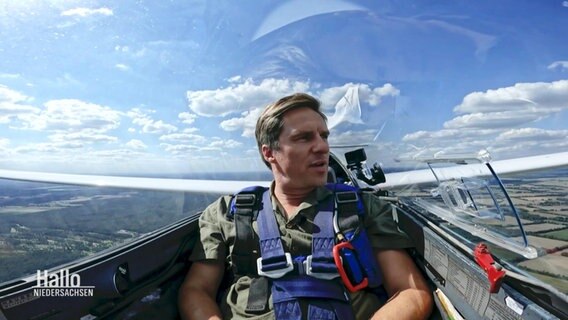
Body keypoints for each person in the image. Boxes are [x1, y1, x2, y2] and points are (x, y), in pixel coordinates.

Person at [178, 93, 433, 319]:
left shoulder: (360, 209)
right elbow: (197, 290)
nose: (322, 147)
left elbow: (411, 292)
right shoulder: (227, 214)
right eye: (304, 138)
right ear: (269, 153)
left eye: (323, 136)